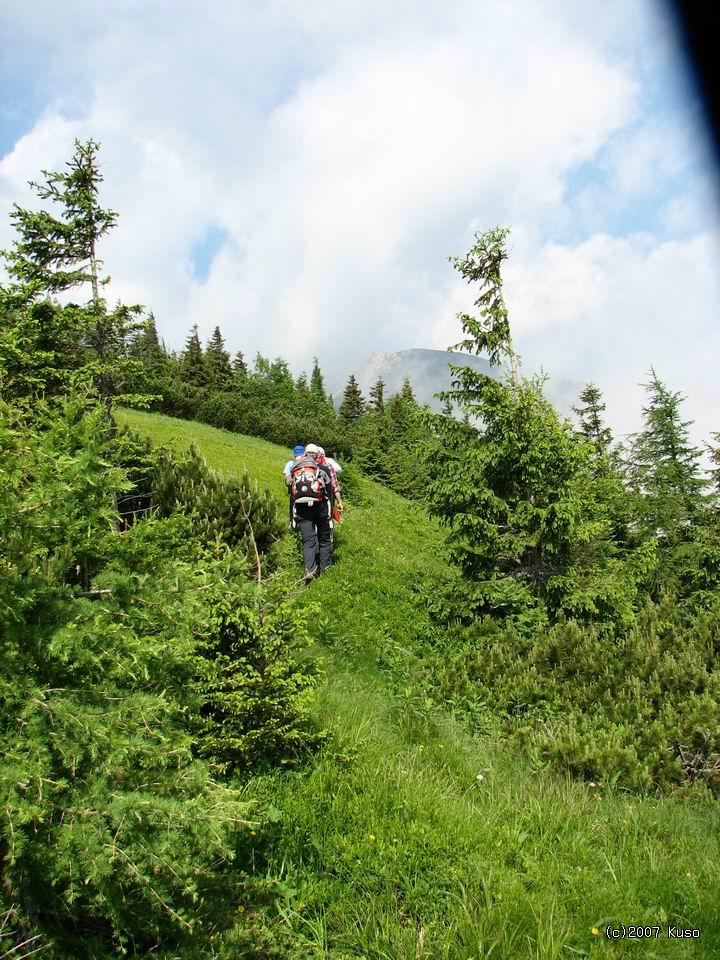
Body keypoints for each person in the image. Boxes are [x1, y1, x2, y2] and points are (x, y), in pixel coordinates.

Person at [287, 443, 333, 582]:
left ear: (305, 455)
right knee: (324, 540)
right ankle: (325, 570)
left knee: (308, 541)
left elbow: (292, 495)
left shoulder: (296, 469)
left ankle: (310, 572)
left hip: (302, 509)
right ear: (317, 456)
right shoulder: (323, 469)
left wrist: (292, 518)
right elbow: (329, 493)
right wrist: (329, 513)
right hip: (321, 509)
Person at [316, 446, 344, 514]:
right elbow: (335, 486)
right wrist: (340, 502)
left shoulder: (304, 465)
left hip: (306, 498)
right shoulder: (328, 465)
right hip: (325, 500)